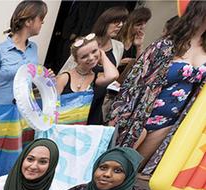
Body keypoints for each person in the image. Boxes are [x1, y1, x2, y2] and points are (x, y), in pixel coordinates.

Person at [111, 1, 206, 176]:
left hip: (170, 121)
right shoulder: (167, 45)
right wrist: (118, 117)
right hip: (141, 115)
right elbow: (135, 80)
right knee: (116, 166)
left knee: (133, 172)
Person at [60, 6, 128, 125]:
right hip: (77, 100)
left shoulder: (118, 46)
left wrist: (102, 54)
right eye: (116, 22)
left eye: (122, 22)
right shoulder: (86, 43)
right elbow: (67, 70)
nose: (119, 25)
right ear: (105, 22)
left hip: (98, 101)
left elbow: (113, 74)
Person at [0, 1, 47, 104]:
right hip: (2, 116)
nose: (42, 23)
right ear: (28, 21)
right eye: (41, 19)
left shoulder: (33, 48)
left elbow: (30, 83)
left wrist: (45, 78)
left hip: (23, 115)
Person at [55, 34, 119, 110]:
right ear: (76, 60)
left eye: (94, 51)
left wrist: (103, 55)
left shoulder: (97, 77)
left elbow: (113, 76)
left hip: (90, 121)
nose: (91, 58)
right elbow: (51, 104)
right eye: (84, 56)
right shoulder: (64, 78)